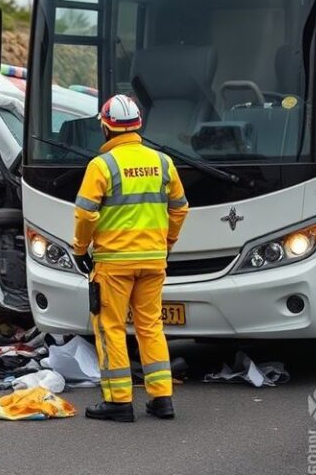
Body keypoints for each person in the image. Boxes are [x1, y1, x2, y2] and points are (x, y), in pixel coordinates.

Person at [72, 94, 189, 423]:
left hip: (114, 263)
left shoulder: (102, 166)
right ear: (138, 125)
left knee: (110, 328)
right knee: (150, 326)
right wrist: (167, 242)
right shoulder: (163, 163)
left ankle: (118, 401)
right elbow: (180, 208)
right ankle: (162, 398)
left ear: (106, 128)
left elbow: (85, 213)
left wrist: (80, 249)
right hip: (153, 260)